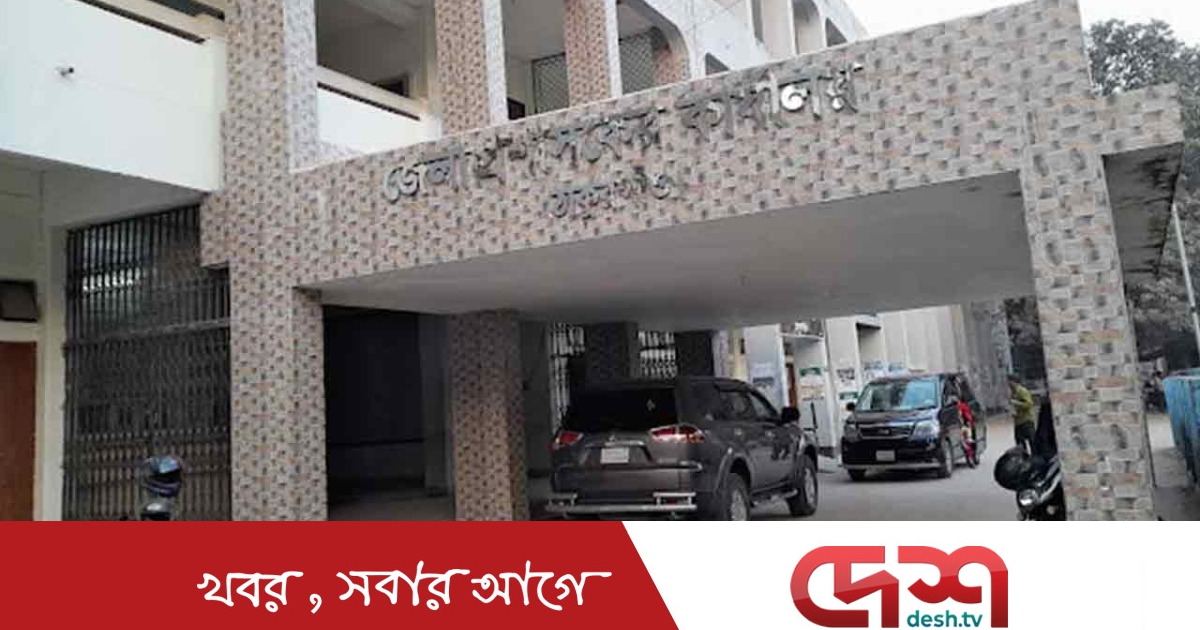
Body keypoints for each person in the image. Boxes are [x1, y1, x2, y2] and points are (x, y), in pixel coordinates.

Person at [1008, 374, 1036, 453]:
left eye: (1010, 382)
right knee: (1020, 444)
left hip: (1026, 421)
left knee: (1032, 442)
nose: (1009, 384)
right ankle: (1024, 457)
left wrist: (1015, 402)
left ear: (1014, 382)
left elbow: (1029, 404)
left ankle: (1034, 457)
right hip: (1018, 422)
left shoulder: (1022, 391)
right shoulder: (1013, 393)